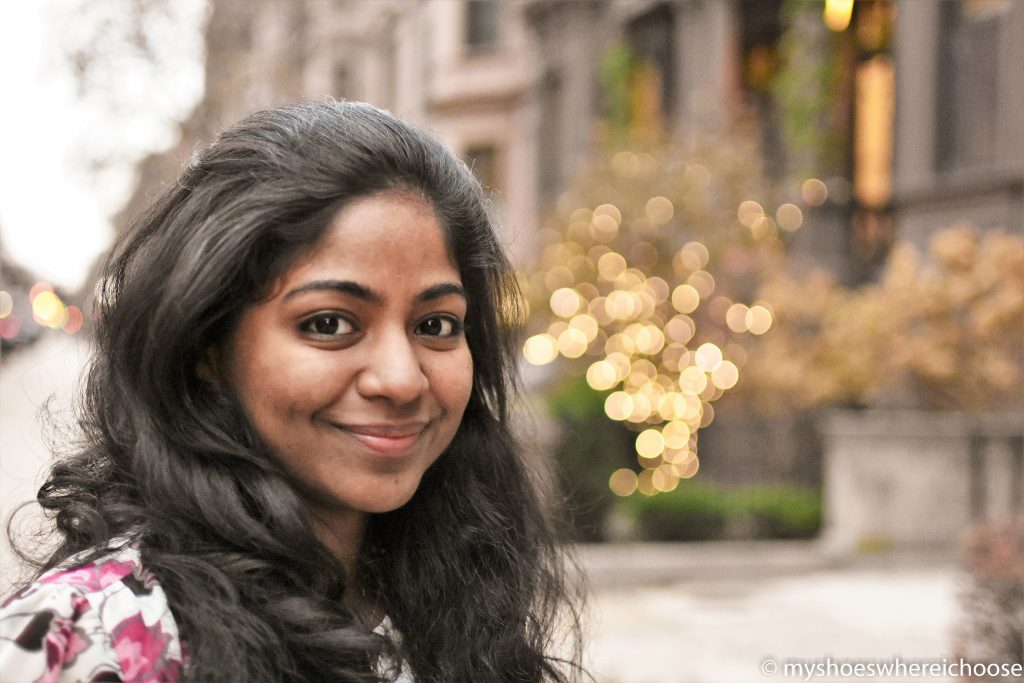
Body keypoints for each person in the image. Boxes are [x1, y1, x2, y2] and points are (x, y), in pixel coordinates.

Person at [0, 101, 585, 682]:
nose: (402, 379)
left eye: (434, 325)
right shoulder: (79, 642)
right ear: (207, 345)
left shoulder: (456, 608)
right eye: (329, 323)